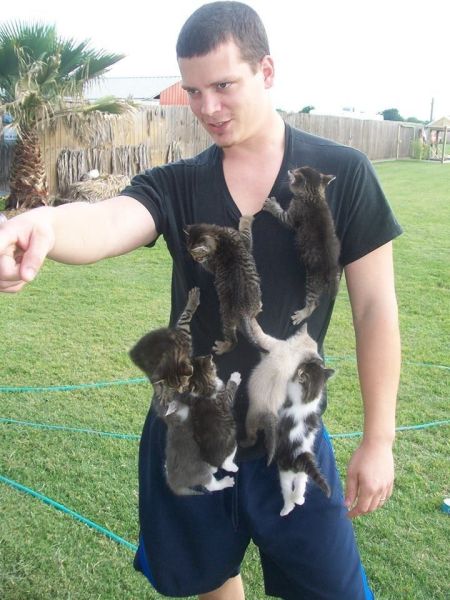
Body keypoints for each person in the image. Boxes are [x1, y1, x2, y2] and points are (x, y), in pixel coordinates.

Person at [0, 2, 402, 598]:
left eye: (223, 86)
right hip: (189, 430)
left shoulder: (343, 174)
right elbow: (110, 220)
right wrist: (46, 225)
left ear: (266, 71)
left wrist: (379, 440)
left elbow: (375, 311)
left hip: (291, 436)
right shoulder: (179, 182)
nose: (207, 107)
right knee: (212, 580)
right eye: (192, 91)